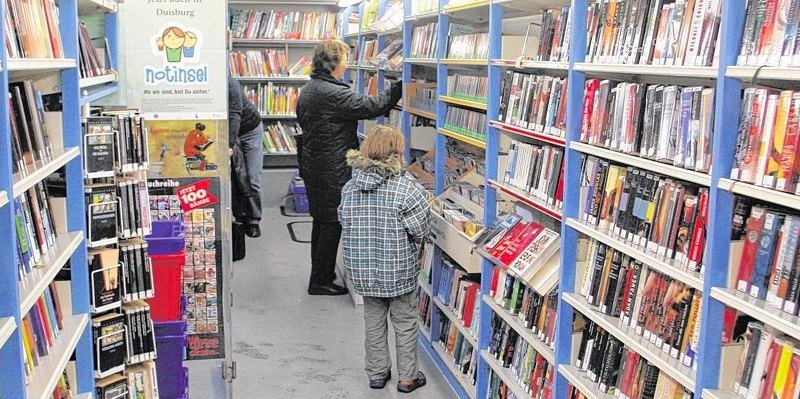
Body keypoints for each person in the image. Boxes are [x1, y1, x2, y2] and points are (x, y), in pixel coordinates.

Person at [297, 40, 403, 296]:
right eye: (344, 59)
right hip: (331, 167)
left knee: (322, 221)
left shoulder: (311, 88)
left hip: (316, 162)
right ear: (333, 63)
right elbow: (372, 106)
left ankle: (321, 273)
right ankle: (320, 281)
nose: (346, 64)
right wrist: (399, 86)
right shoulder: (332, 93)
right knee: (332, 222)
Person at [338, 125, 431, 392]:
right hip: (398, 269)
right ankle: (408, 377)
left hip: (363, 270)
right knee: (405, 323)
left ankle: (377, 374)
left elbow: (343, 219)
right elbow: (420, 229)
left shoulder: (350, 187)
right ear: (397, 153)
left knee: (373, 321)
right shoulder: (407, 189)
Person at [229, 78, 264, 238]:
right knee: (235, 179)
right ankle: (239, 217)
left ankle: (254, 220)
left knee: (252, 177)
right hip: (229, 132)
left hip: (250, 129)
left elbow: (235, 115)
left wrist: (229, 145)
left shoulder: (231, 84)